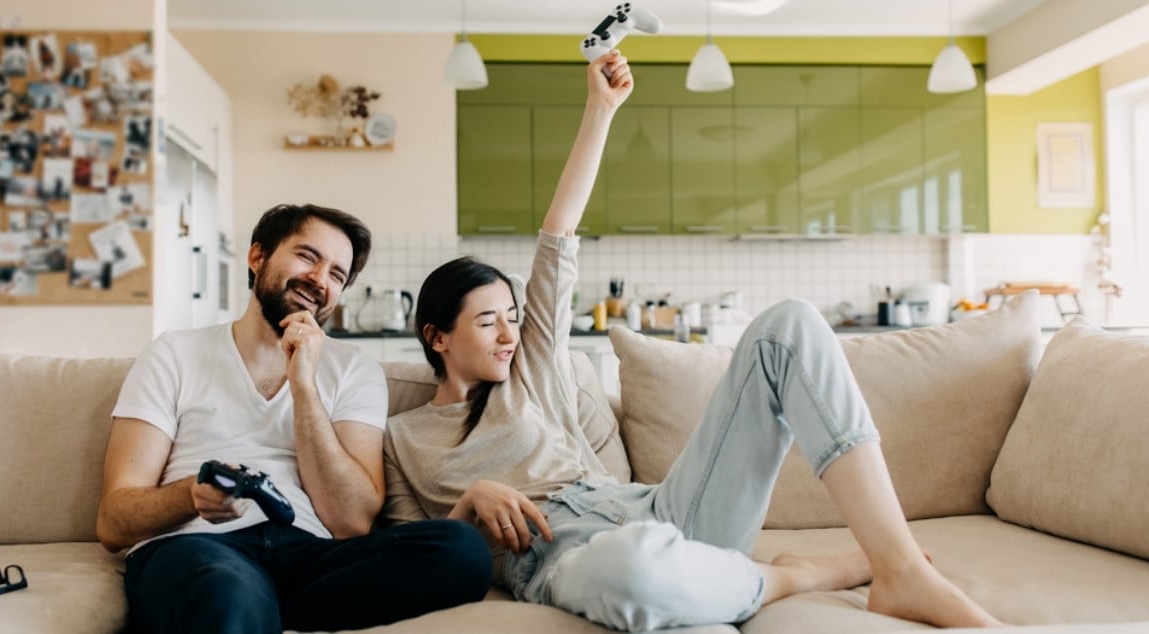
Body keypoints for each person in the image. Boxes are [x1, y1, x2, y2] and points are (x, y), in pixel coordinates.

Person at [382, 52, 1004, 631]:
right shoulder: (404, 440)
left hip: (659, 508)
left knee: (787, 324)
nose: (510, 334)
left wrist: (601, 109)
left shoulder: (530, 369)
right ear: (437, 335)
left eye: (513, 317)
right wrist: (468, 506)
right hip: (564, 554)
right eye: (488, 321)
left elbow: (558, 233)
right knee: (635, 571)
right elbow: (416, 558)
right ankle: (792, 574)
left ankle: (901, 569)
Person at [96, 203, 492, 634]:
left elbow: (352, 521)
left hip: (309, 557)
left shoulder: (354, 369)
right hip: (198, 548)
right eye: (307, 256)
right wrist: (191, 495)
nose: (320, 279)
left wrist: (304, 385)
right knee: (227, 589)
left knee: (461, 549)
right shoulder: (174, 353)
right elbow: (113, 523)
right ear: (257, 257)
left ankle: (262, 610)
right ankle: (249, 606)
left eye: (337, 274)